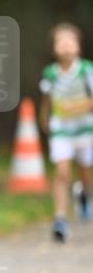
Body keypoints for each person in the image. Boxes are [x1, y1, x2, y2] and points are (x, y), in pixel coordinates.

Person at [38, 23, 93, 242]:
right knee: (61, 172)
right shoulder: (50, 73)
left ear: (78, 46)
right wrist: (44, 117)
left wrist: (77, 107)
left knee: (83, 170)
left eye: (70, 41)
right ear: (54, 48)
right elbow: (47, 98)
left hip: (84, 129)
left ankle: (83, 195)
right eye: (61, 42)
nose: (66, 46)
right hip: (61, 130)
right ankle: (60, 218)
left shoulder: (87, 70)